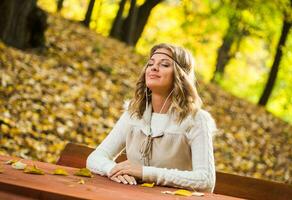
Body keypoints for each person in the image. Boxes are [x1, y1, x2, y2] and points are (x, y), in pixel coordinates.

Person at [86, 43, 217, 192]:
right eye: (150, 64)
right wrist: (112, 170)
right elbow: (95, 157)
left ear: (180, 75)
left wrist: (144, 172)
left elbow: (206, 180)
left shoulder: (196, 119)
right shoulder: (134, 113)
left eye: (165, 64)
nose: (154, 68)